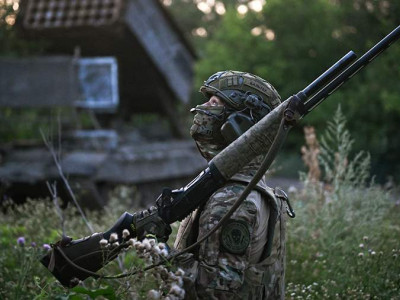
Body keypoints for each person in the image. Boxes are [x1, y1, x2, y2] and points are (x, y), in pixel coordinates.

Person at [173, 71, 288, 299]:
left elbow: (215, 293)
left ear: (239, 125)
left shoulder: (231, 201)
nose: (202, 108)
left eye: (214, 102)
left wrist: (160, 254)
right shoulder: (248, 189)